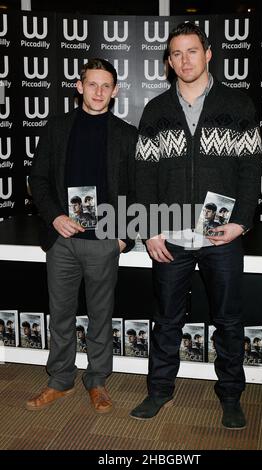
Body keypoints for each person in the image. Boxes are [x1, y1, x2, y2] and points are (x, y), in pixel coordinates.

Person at [131, 22, 262, 429]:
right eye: (176, 54)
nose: (184, 60)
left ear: (208, 54)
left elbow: (250, 169)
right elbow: (143, 176)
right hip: (170, 233)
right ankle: (159, 392)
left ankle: (230, 397)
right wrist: (150, 229)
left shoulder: (238, 105)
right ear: (168, 62)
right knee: (167, 318)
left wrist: (241, 222)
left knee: (228, 319)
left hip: (221, 234)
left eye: (191, 51)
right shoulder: (156, 110)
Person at [28, 58, 137, 413]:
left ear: (116, 90)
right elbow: (38, 180)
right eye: (92, 84)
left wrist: (124, 239)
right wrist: (55, 216)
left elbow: (137, 191)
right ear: (79, 86)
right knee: (60, 315)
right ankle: (60, 380)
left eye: (106, 85)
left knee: (101, 316)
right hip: (62, 241)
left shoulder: (125, 135)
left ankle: (98, 381)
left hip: (104, 242)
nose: (99, 92)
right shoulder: (57, 128)